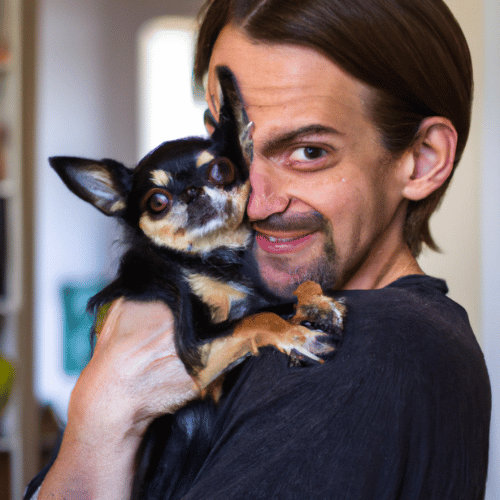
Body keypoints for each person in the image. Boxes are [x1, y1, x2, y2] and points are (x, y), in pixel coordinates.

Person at [26, 0, 491, 498]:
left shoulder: (358, 342)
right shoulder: (294, 313)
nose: (251, 200)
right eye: (233, 150)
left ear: (421, 161)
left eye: (309, 152)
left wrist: (102, 414)